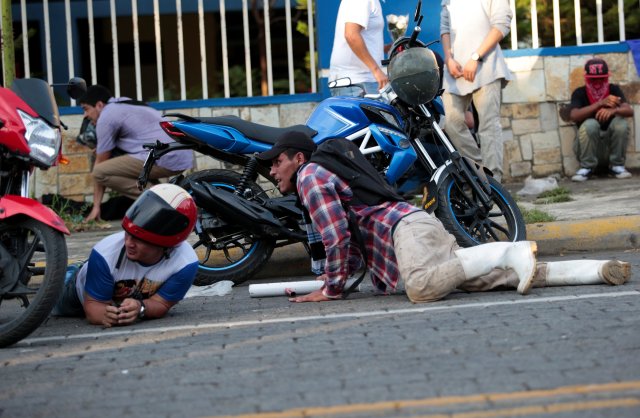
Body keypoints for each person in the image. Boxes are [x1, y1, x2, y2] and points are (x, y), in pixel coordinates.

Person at [256, 131, 631, 303]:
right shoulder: (321, 173)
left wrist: (330, 288)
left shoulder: (310, 176)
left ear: (298, 159)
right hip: (414, 229)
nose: (272, 171)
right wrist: (335, 282)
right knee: (490, 281)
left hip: (407, 231)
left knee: (421, 287)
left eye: (277, 162)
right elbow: (351, 247)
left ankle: (505, 251)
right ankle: (597, 269)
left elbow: (336, 236)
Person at [53, 184, 198, 327]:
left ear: (165, 243)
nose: (129, 243)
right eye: (127, 234)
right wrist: (106, 315)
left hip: (118, 289)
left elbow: (161, 303)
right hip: (77, 293)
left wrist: (141, 308)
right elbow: (93, 306)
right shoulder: (104, 253)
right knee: (51, 308)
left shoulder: (186, 263)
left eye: (139, 240)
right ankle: (73, 271)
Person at [78, 85, 194, 221]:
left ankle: (164, 202)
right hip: (178, 153)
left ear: (99, 105)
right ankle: (168, 198)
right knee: (118, 165)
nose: (85, 115)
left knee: (99, 171)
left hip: (165, 156)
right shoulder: (123, 103)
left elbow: (100, 166)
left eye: (86, 109)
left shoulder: (107, 116)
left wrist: (96, 206)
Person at [440, 0, 513, 182]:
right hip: (454, 70)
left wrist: (476, 57)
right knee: (450, 122)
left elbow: (501, 25)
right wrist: (448, 58)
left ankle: (494, 184)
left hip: (487, 66)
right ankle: (481, 174)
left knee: (489, 126)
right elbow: (445, 28)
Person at [568, 58, 634, 182]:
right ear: (586, 78)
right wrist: (600, 104)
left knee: (621, 123)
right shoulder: (579, 92)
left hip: (610, 149)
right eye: (593, 79)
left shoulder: (613, 89)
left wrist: (614, 110)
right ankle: (586, 168)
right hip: (587, 150)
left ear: (607, 77)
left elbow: (629, 111)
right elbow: (574, 116)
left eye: (601, 78)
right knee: (590, 124)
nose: (598, 82)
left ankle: (617, 166)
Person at [328, 0, 388, 97]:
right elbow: (351, 35)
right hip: (357, 83)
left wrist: (387, 48)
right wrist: (376, 70)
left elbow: (362, 40)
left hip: (360, 82)